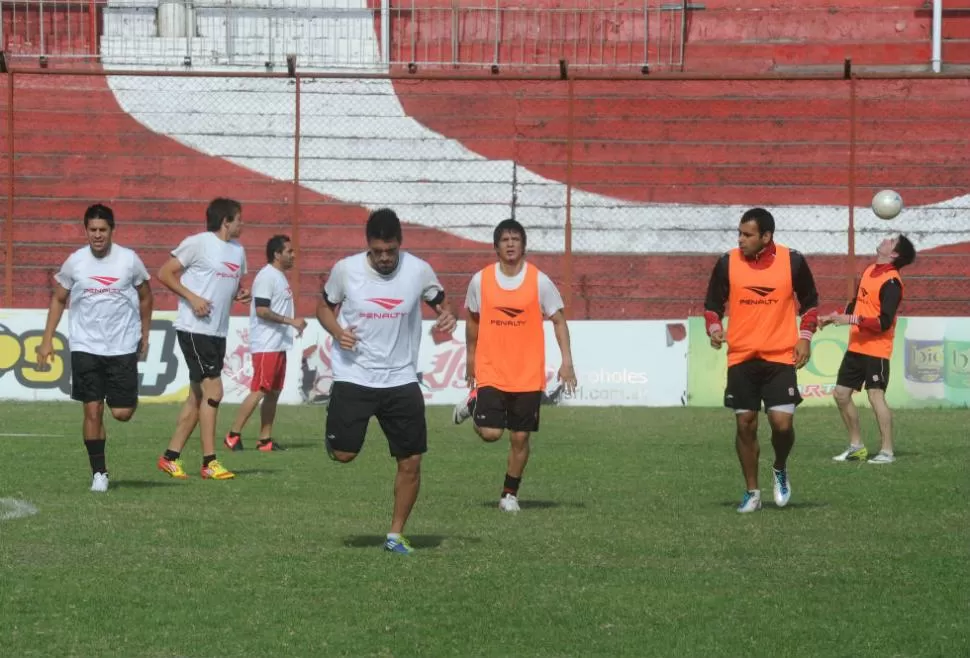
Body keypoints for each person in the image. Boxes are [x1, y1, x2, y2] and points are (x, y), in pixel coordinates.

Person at [315, 208, 456, 555]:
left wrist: (447, 315)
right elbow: (322, 308)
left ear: (399, 245)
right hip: (355, 375)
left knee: (411, 460)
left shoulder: (419, 270)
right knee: (344, 454)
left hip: (401, 379)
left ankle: (395, 535)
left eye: (390, 251)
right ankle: (335, 430)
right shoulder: (346, 270)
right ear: (368, 246)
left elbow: (440, 301)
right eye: (377, 251)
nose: (384, 258)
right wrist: (337, 331)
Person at [452, 218, 578, 512]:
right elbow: (472, 320)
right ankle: (473, 405)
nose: (510, 244)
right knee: (491, 433)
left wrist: (567, 362)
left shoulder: (540, 281)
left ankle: (509, 495)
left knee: (520, 437)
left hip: (527, 373)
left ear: (523, 245)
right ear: (496, 247)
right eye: (504, 239)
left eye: (515, 239)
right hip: (491, 368)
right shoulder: (480, 280)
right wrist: (470, 359)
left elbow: (559, 321)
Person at [703, 207, 820, 513]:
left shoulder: (792, 260)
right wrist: (714, 328)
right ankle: (752, 492)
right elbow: (712, 304)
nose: (741, 240)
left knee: (781, 425)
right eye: (739, 233)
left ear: (766, 237)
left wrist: (804, 338)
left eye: (748, 234)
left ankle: (780, 467)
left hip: (780, 355)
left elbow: (810, 305)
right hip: (741, 356)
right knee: (745, 423)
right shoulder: (727, 261)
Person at [36, 204, 152, 493]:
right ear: (85, 230)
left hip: (122, 345)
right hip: (85, 345)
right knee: (92, 410)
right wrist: (47, 339)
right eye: (92, 230)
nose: (97, 235)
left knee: (122, 413)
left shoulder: (129, 260)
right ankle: (99, 473)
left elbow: (147, 297)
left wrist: (144, 334)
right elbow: (59, 299)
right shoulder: (75, 262)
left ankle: (120, 406)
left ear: (112, 230)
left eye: (102, 230)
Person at [155, 198, 250, 481]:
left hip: (217, 331)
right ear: (226, 221)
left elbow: (225, 285)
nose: (242, 224)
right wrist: (192, 297)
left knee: (197, 397)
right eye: (239, 219)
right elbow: (164, 273)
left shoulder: (238, 251)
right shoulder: (198, 243)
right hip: (195, 329)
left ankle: (170, 458)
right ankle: (209, 462)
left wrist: (238, 295)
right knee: (215, 393)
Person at [821, 235, 916, 465]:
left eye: (891, 241)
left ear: (894, 254)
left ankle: (887, 451)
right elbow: (856, 303)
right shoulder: (870, 269)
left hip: (876, 349)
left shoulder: (892, 282)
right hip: (856, 345)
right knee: (841, 394)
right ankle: (856, 447)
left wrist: (850, 318)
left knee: (875, 396)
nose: (885, 240)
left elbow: (884, 322)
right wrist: (835, 317)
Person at [225, 235, 307, 452]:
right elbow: (261, 310)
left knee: (274, 392)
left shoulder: (279, 276)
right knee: (260, 389)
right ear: (276, 254)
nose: (293, 255)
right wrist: (291, 321)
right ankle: (233, 434)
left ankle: (264, 440)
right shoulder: (267, 276)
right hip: (266, 345)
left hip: (278, 344)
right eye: (289, 251)